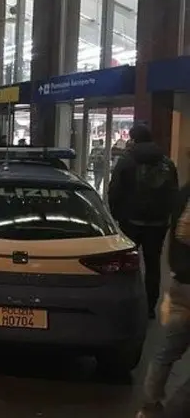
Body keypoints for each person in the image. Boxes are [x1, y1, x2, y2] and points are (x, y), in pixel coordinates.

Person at [108, 124, 179, 318]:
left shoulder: (127, 160)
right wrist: (168, 216)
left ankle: (126, 302)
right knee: (153, 263)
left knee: (126, 263)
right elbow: (174, 192)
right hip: (158, 223)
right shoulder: (166, 162)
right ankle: (149, 306)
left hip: (130, 220)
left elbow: (115, 190)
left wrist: (116, 214)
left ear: (134, 139)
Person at [135, 178, 190, 418]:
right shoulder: (170, 175)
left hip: (181, 282)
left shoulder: (185, 191)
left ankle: (149, 407)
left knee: (166, 351)